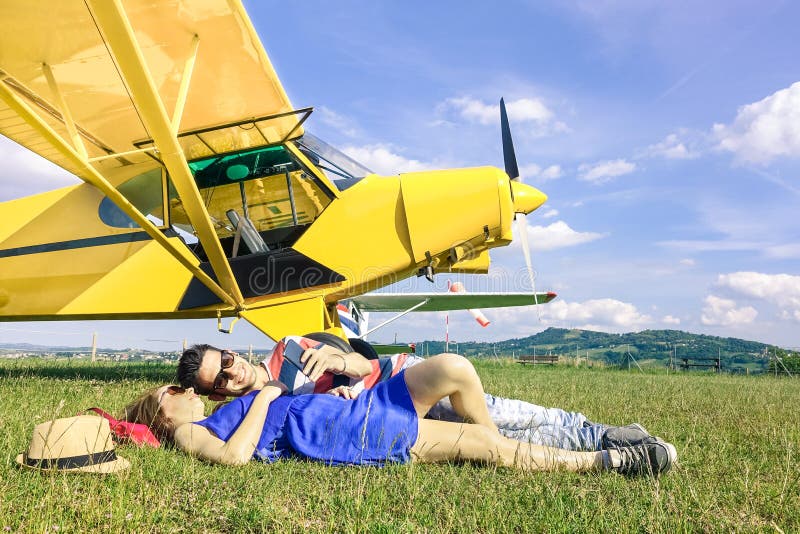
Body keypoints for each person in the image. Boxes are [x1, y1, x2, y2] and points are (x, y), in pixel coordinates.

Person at [126, 354, 676, 475]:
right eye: (173, 390)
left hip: (358, 401)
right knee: (489, 445)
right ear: (162, 411)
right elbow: (234, 458)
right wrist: (268, 400)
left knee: (454, 368)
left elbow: (343, 360)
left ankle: (505, 450)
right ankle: (612, 460)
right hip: (341, 431)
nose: (187, 391)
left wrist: (340, 378)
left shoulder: (267, 365)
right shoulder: (190, 431)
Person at [177, 338, 656, 452]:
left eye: (223, 362)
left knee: (517, 415)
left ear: (230, 350)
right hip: (395, 417)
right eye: (215, 382)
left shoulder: (292, 347)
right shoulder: (259, 409)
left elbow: (366, 363)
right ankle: (606, 441)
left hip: (406, 383)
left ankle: (601, 434)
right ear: (215, 396)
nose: (228, 375)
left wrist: (343, 366)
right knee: (499, 430)